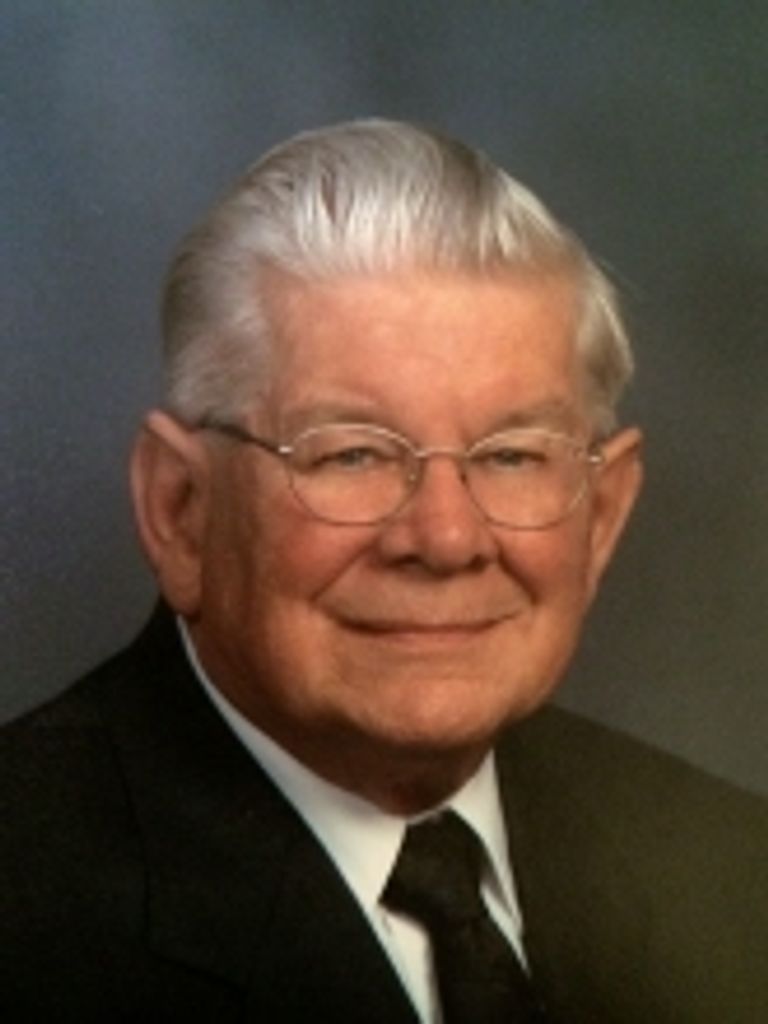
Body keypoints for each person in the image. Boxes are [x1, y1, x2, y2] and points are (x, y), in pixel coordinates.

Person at [1, 119, 766, 1023]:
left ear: (601, 518)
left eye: (512, 456)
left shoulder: (731, 873)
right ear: (181, 512)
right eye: (351, 454)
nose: (445, 538)